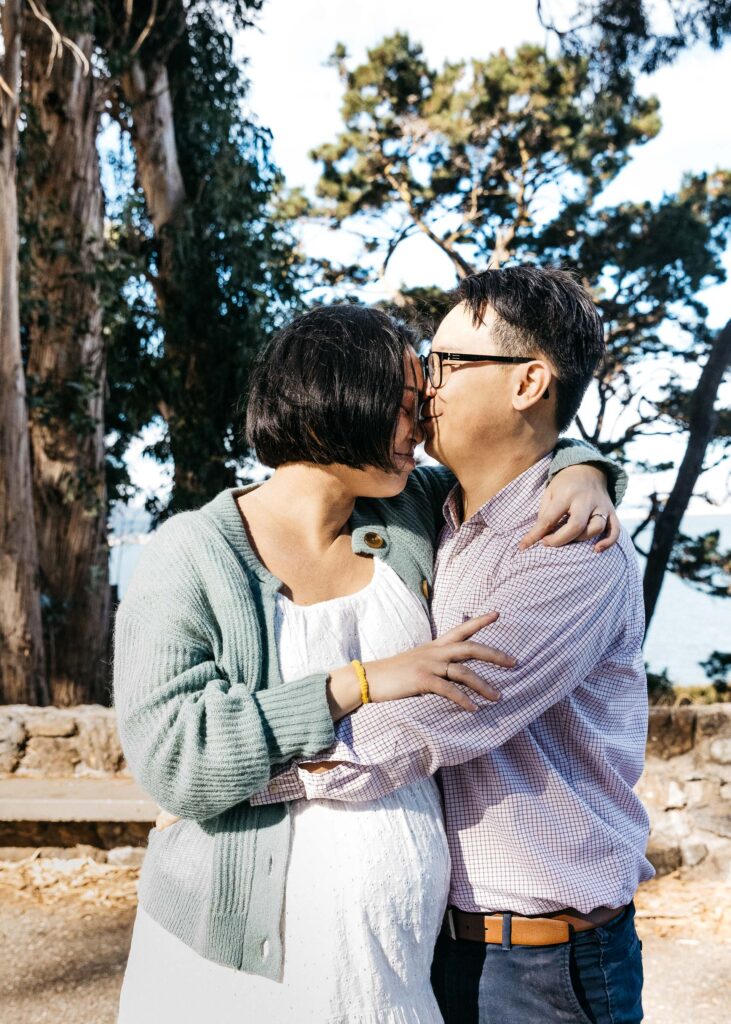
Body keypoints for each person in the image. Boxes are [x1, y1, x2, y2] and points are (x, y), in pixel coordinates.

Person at [114, 300, 624, 1024]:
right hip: (241, 966)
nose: (422, 426)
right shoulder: (190, 554)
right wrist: (352, 683)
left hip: (392, 964)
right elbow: (173, 759)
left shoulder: (404, 510)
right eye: (407, 405)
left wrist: (585, 469)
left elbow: (517, 460)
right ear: (333, 404)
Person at [250, 268, 653, 1024]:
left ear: (529, 381)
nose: (421, 386)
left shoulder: (570, 548)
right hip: (437, 939)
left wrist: (244, 773)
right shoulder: (427, 512)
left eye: (444, 363)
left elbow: (434, 717)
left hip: (543, 964)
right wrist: (585, 462)